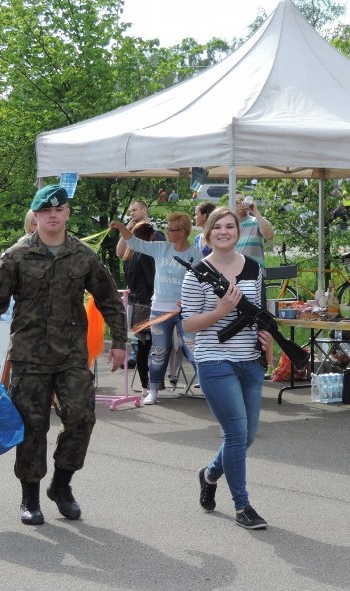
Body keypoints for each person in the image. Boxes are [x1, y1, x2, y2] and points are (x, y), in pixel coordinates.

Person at [0, 184, 127, 525]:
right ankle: (30, 498)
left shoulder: (83, 255)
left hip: (72, 354)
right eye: (46, 212)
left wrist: (119, 341)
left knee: (82, 418)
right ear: (36, 216)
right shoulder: (16, 256)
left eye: (59, 210)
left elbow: (109, 299)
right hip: (29, 355)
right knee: (31, 427)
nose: (53, 216)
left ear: (67, 213)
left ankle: (61, 484)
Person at [181, 206, 273, 529]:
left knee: (246, 436)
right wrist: (221, 310)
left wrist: (269, 344)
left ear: (239, 231)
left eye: (230, 226)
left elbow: (262, 313)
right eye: (217, 226)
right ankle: (242, 506)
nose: (224, 231)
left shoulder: (254, 268)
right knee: (235, 433)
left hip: (251, 362)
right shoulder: (196, 273)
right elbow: (189, 324)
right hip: (215, 362)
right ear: (207, 233)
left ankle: (209, 475)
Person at [110, 211, 201, 405]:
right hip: (159, 308)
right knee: (159, 350)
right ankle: (153, 389)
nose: (167, 232)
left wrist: (192, 302)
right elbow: (135, 243)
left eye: (171, 229)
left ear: (183, 232)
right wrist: (122, 228)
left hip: (185, 310)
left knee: (193, 349)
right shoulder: (161, 248)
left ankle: (210, 385)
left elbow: (202, 282)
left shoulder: (195, 255)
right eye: (167, 228)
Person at [123, 222, 156, 390]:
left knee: (143, 346)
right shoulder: (145, 254)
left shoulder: (129, 254)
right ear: (148, 236)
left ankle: (146, 384)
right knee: (153, 346)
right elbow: (152, 281)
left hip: (133, 305)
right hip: (146, 305)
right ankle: (151, 384)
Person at [234, 191, 274, 271]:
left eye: (243, 200)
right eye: (238, 201)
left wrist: (255, 211)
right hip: (234, 273)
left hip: (255, 274)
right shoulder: (228, 225)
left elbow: (269, 235)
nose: (242, 203)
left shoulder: (256, 221)